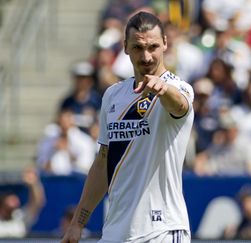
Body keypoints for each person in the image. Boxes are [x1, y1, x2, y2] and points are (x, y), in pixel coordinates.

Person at [61, 11, 194, 243]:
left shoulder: (178, 88)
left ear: (165, 44)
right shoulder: (113, 95)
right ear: (125, 47)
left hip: (161, 230)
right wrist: (77, 224)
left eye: (153, 47)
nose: (146, 56)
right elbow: (103, 162)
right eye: (138, 47)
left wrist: (162, 89)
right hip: (116, 232)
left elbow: (181, 106)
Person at [0, 168, 46, 238]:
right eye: (11, 200)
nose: (15, 202)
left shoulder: (20, 217)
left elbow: (37, 203)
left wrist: (34, 184)